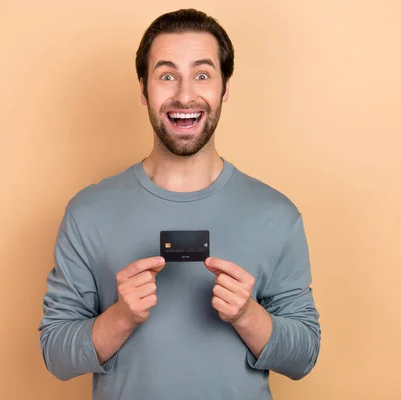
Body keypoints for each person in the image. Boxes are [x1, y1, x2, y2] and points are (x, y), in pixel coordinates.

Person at [38, 8, 321, 400]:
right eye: (167, 76)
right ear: (143, 89)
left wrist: (247, 316)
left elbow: (304, 356)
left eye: (202, 75)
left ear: (224, 88)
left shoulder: (276, 215)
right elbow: (55, 353)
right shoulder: (88, 213)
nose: (185, 95)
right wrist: (120, 317)